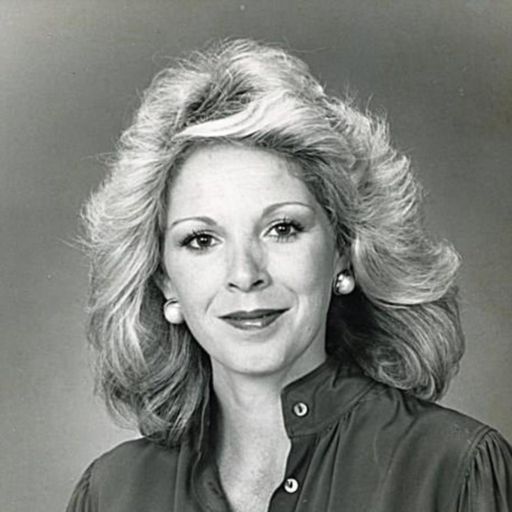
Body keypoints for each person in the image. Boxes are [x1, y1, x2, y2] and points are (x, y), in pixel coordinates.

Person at [66, 39, 512, 512]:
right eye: (201, 239)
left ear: (344, 251)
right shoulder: (113, 492)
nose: (244, 275)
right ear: (165, 281)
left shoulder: (454, 469)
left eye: (282, 228)